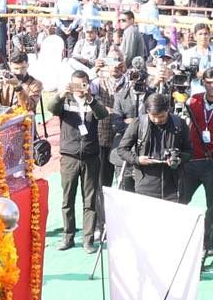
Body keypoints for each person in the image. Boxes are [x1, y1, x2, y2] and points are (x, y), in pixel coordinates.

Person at [47, 68, 110, 250]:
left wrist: (89, 98)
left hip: (90, 157)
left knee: (89, 200)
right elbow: (52, 108)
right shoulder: (65, 101)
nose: (78, 88)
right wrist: (61, 94)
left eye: (82, 84)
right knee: (68, 199)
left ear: (88, 84)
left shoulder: (93, 102)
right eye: (75, 84)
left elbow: (103, 114)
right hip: (69, 156)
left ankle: (88, 239)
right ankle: (68, 237)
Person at [181, 66, 213, 261]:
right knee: (181, 199)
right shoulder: (193, 100)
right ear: (203, 82)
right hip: (192, 159)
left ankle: (209, 242)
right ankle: (182, 236)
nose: (212, 86)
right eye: (209, 82)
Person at [115, 91, 188, 200]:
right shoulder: (138, 123)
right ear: (147, 111)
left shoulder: (179, 124)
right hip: (145, 184)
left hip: (173, 186)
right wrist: (138, 159)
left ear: (168, 110)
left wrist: (178, 159)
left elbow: (189, 151)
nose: (158, 120)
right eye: (154, 116)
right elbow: (122, 149)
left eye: (162, 116)